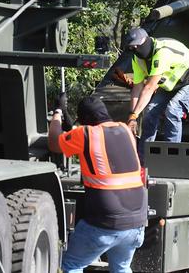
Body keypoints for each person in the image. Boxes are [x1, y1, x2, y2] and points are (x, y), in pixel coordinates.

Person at [48, 95, 146, 273]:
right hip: (136, 222)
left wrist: (57, 113)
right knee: (122, 268)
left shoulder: (86, 134)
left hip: (105, 223)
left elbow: (54, 142)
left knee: (71, 265)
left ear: (85, 120)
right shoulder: (125, 131)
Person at [124, 27, 189, 158]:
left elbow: (149, 88)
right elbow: (137, 89)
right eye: (132, 47)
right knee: (150, 112)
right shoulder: (137, 59)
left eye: (137, 45)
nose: (135, 49)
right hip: (171, 83)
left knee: (173, 110)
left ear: (146, 41)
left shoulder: (162, 53)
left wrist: (135, 115)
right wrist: (132, 116)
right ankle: (142, 159)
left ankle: (172, 156)